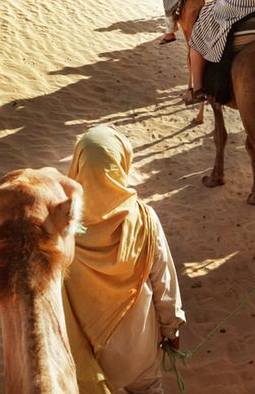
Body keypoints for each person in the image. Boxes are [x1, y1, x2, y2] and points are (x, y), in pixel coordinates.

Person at [64, 125, 186, 394]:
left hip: (86, 356)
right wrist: (171, 329)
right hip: (138, 350)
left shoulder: (61, 227)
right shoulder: (144, 219)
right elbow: (164, 283)